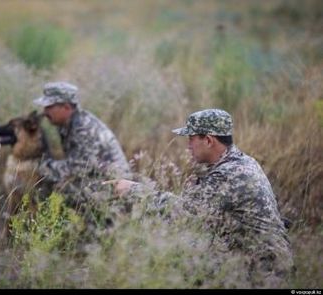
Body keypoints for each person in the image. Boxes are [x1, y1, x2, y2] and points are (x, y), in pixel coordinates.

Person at [107, 108, 294, 287]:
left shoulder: (230, 173)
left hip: (263, 273)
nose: (188, 146)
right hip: (258, 263)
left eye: (191, 138)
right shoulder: (241, 162)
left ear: (209, 140)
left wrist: (135, 190)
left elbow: (184, 214)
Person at [33, 81, 132, 208]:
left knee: (57, 189)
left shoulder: (83, 129)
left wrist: (40, 167)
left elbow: (77, 169)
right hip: (98, 180)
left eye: (49, 107)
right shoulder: (69, 124)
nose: (44, 112)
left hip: (116, 187)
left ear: (67, 107)